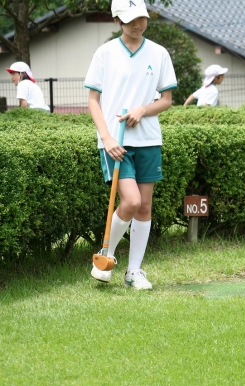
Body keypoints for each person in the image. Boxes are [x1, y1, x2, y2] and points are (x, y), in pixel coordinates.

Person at [84, 0, 177, 290]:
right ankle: (106, 255)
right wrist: (107, 138)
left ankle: (134, 271)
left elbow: (166, 100)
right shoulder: (105, 53)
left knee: (145, 206)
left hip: (148, 139)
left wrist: (142, 110)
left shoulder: (159, 53)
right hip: (116, 142)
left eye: (141, 18)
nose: (137, 25)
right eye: (130, 20)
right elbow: (93, 101)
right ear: (116, 21)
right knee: (132, 201)